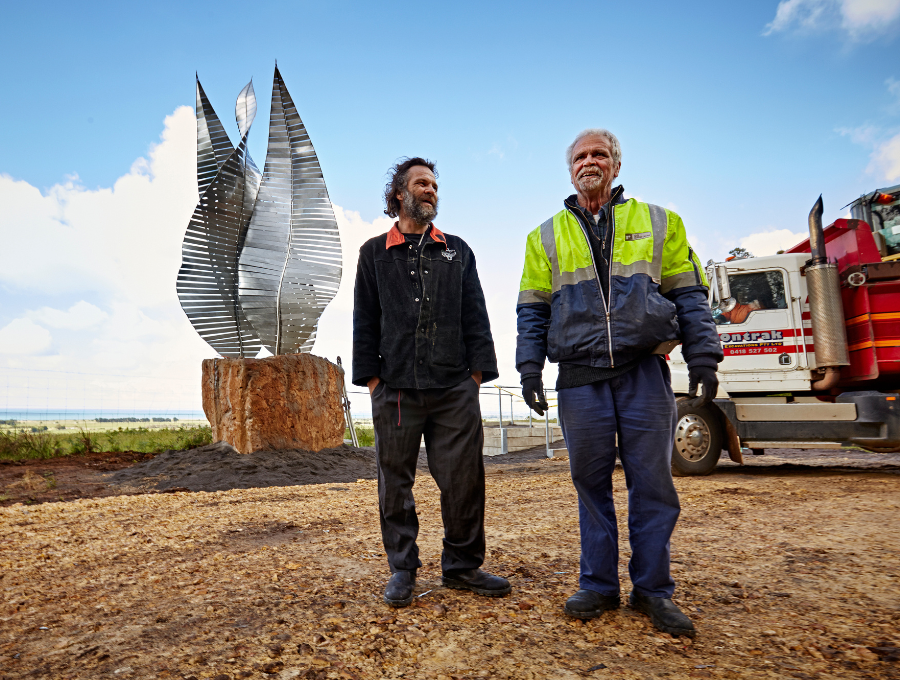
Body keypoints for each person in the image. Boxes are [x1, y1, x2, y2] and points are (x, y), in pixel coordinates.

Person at [515, 129, 722, 637]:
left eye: (600, 154)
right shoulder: (544, 236)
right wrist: (529, 368)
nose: (590, 161)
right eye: (581, 156)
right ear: (570, 170)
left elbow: (690, 294)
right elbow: (532, 311)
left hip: (643, 373)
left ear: (616, 166)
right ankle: (599, 585)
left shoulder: (660, 222)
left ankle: (653, 591)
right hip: (580, 378)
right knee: (590, 485)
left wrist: (704, 358)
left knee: (652, 484)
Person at [353, 157, 510, 607]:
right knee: (394, 483)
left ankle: (463, 567)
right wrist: (375, 383)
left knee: (464, 479)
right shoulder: (373, 254)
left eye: (435, 185)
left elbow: (475, 317)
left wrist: (475, 378)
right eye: (422, 183)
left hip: (453, 389)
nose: (431, 191)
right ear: (399, 194)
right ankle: (403, 568)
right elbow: (365, 322)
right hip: (396, 391)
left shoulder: (456, 251)